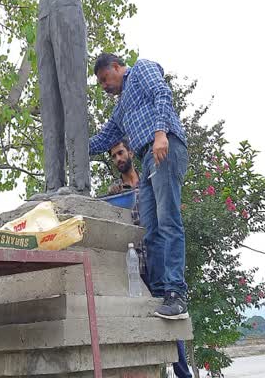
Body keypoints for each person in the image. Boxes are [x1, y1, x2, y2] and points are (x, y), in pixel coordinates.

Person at [90, 52, 189, 319]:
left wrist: (160, 134)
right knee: (150, 228)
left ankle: (176, 293)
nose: (104, 86)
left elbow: (162, 93)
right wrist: (73, 147)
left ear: (115, 67)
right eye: (100, 83)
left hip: (164, 147)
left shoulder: (141, 70)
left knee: (168, 220)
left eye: (104, 79)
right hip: (147, 159)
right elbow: (104, 139)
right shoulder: (122, 108)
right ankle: (160, 291)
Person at [105, 139, 192, 378]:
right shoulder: (114, 194)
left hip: (156, 262)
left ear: (131, 153)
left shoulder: (151, 183)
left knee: (169, 320)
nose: (118, 159)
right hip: (133, 268)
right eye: (113, 157)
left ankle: (183, 374)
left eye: (120, 153)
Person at [35, 0, 90, 196]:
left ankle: (79, 182)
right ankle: (52, 183)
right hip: (44, 22)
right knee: (49, 105)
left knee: (72, 97)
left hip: (65, 16)